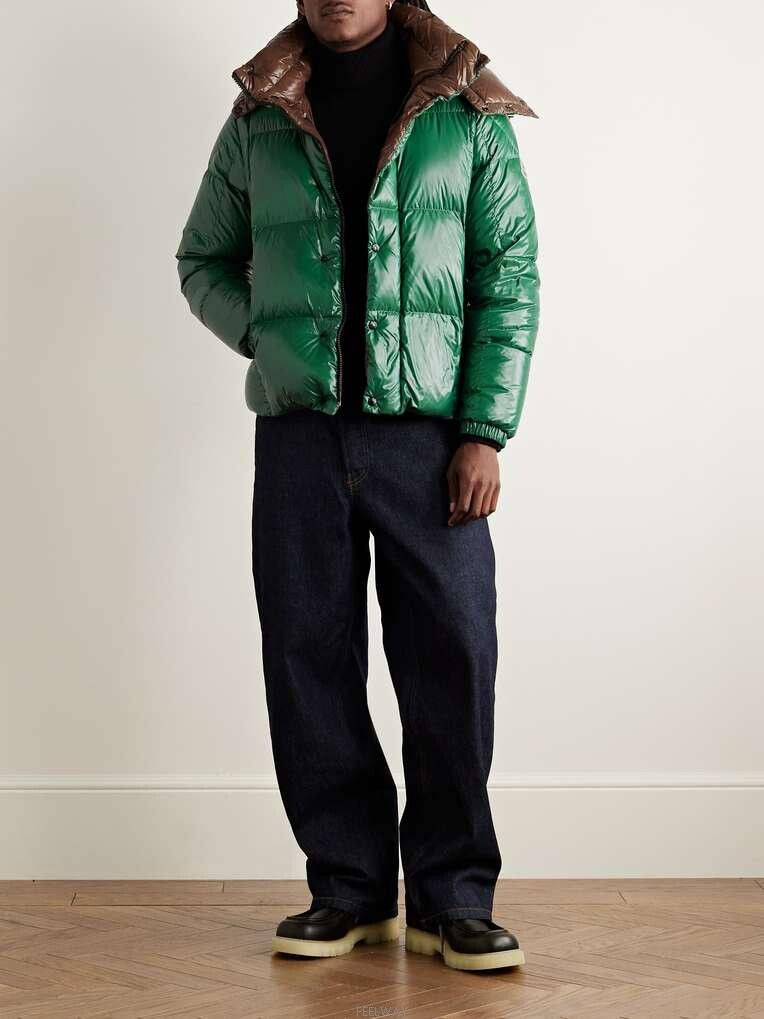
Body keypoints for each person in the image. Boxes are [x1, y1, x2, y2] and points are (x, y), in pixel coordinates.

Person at [175, 0, 540, 972]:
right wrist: (274, 338)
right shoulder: (260, 112)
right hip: (299, 435)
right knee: (307, 657)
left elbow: (508, 275)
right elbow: (201, 258)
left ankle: (453, 896)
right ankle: (348, 887)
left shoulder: (465, 110)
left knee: (451, 655)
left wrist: (483, 430)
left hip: (431, 439)